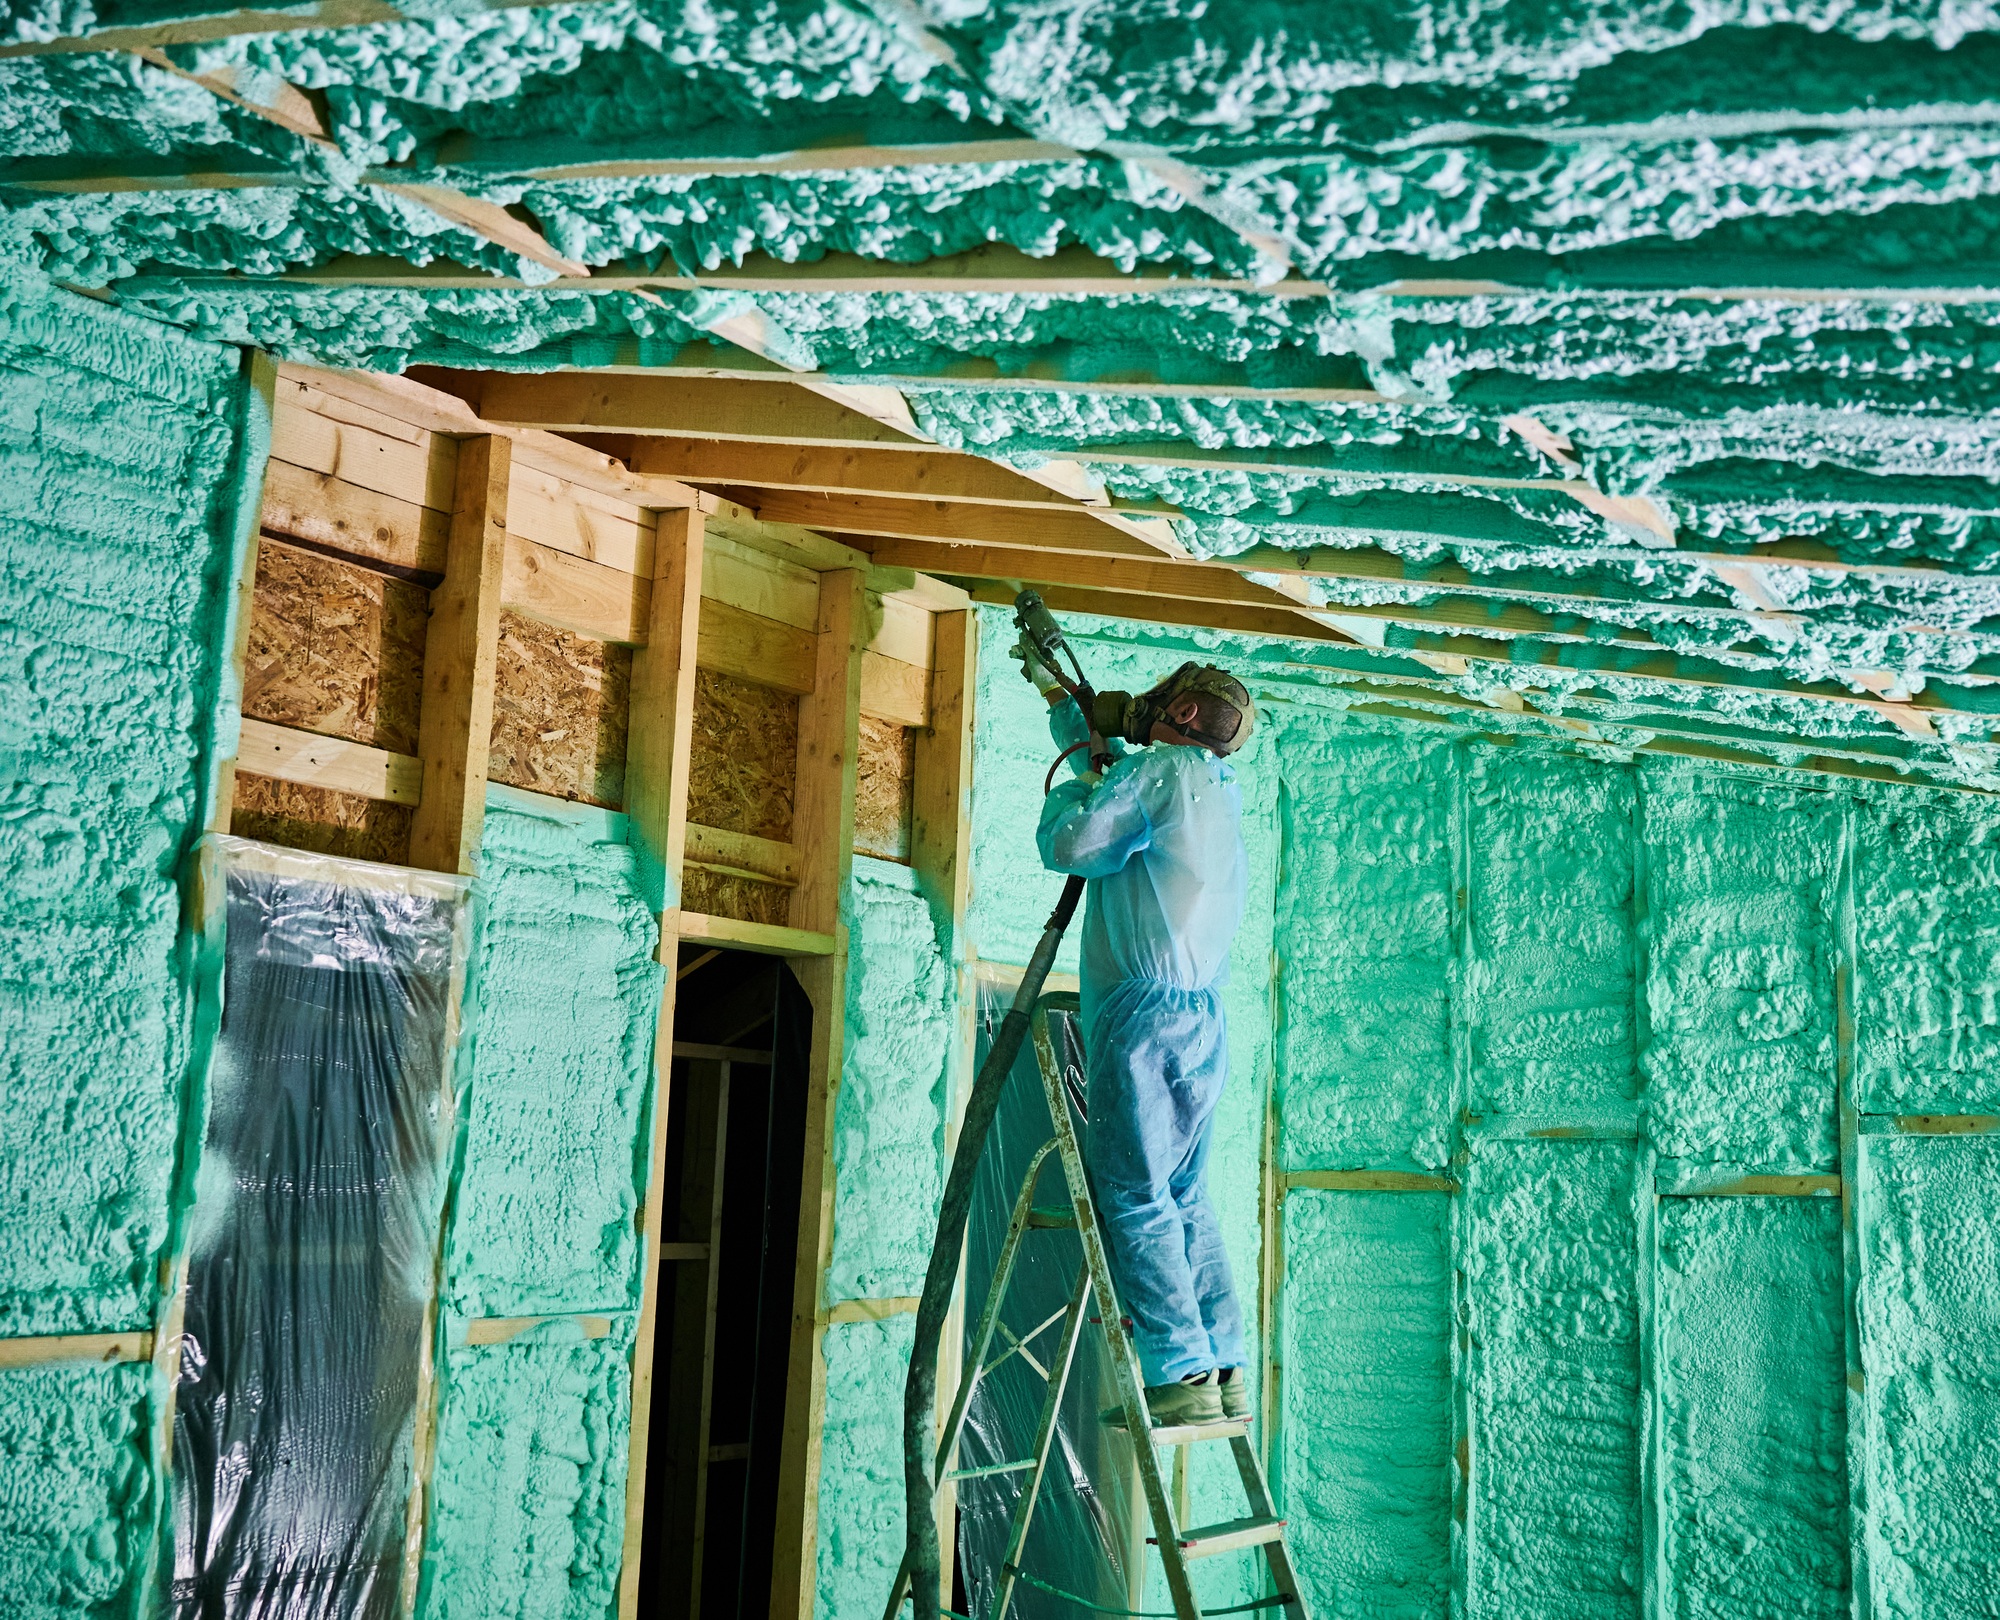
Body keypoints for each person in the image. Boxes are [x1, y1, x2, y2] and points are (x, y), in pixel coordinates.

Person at [1015, 643, 1256, 1429]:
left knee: (1131, 1192)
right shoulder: (1213, 787)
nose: (1149, 701)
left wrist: (1077, 789)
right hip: (1201, 1021)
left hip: (1143, 1020)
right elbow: (1122, 784)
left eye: (1165, 697)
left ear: (1184, 713)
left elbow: (1077, 841)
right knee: (1184, 1196)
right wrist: (1068, 713)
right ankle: (1221, 1366)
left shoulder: (1160, 775)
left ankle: (1179, 1371)